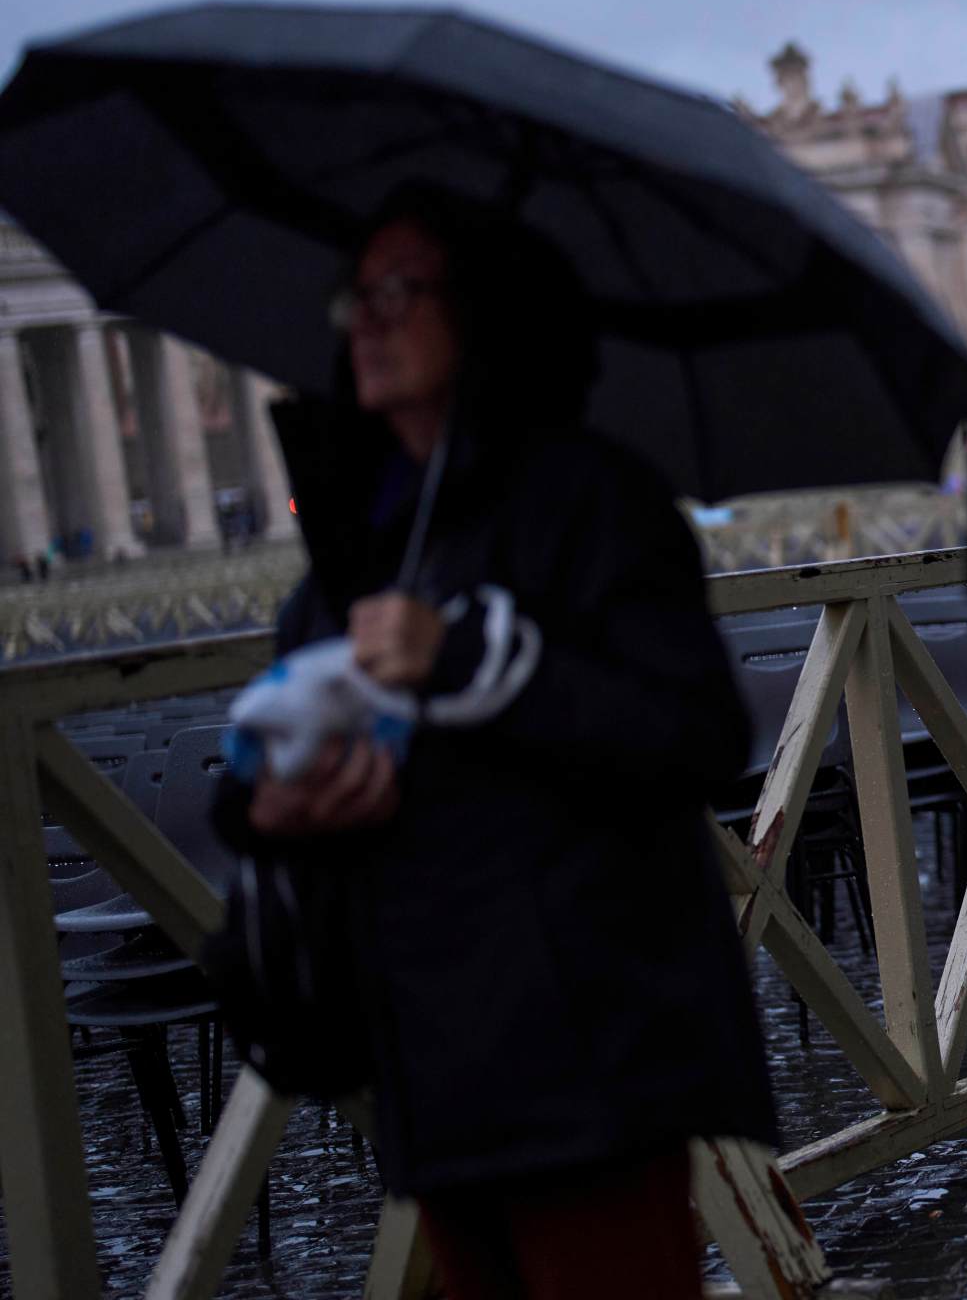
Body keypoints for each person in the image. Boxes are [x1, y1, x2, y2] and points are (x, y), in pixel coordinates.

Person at [224, 189, 774, 1299]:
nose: (363, 322)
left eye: (398, 292)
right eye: (354, 296)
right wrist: (272, 811)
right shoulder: (355, 537)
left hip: (589, 1058)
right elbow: (300, 734)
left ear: (481, 312)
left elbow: (696, 733)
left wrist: (468, 658)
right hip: (429, 1058)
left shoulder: (592, 502)